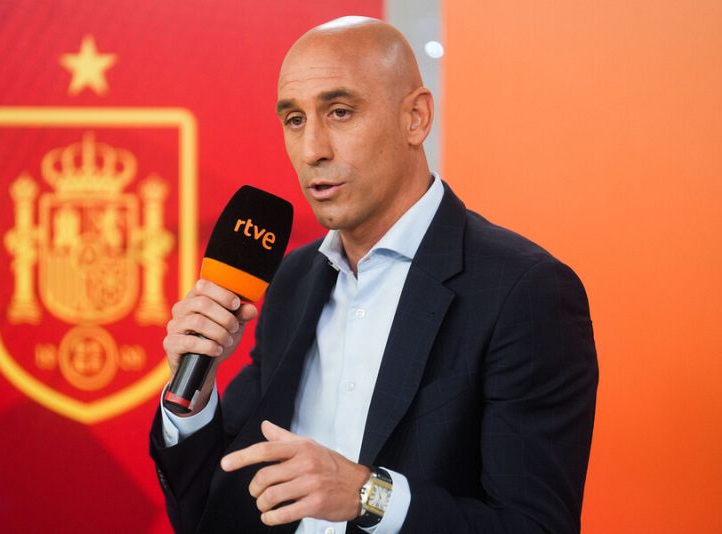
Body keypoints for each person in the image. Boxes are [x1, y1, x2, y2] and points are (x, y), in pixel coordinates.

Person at [150, 16, 598, 534]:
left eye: (340, 112)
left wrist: (368, 495)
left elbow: (536, 526)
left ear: (416, 118)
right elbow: (214, 512)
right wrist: (193, 399)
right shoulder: (294, 279)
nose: (312, 150)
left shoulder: (524, 291)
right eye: (294, 119)